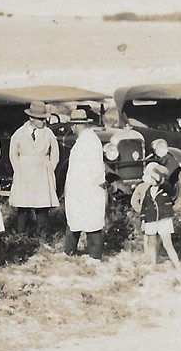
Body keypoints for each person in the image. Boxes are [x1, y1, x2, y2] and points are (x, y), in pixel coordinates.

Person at [8, 100, 60, 235]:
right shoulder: (19, 134)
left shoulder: (48, 133)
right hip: (24, 174)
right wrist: (19, 170)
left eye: (45, 119)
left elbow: (55, 153)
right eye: (40, 119)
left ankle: (43, 238)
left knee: (42, 207)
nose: (43, 122)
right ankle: (21, 236)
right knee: (23, 207)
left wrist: (48, 168)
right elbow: (13, 155)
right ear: (31, 118)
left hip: (42, 173)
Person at [63, 109, 107, 261]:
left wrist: (95, 185)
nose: (72, 128)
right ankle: (69, 252)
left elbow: (96, 169)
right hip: (79, 189)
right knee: (75, 218)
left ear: (76, 125)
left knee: (92, 221)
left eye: (73, 125)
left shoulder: (90, 141)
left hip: (89, 188)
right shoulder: (84, 140)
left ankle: (95, 256)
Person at [134, 162, 181, 270]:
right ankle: (153, 264)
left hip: (164, 219)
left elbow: (171, 188)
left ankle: (178, 266)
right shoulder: (148, 191)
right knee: (151, 243)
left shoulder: (165, 188)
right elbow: (144, 208)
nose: (151, 180)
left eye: (153, 177)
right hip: (150, 219)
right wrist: (143, 221)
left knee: (167, 244)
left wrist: (159, 176)